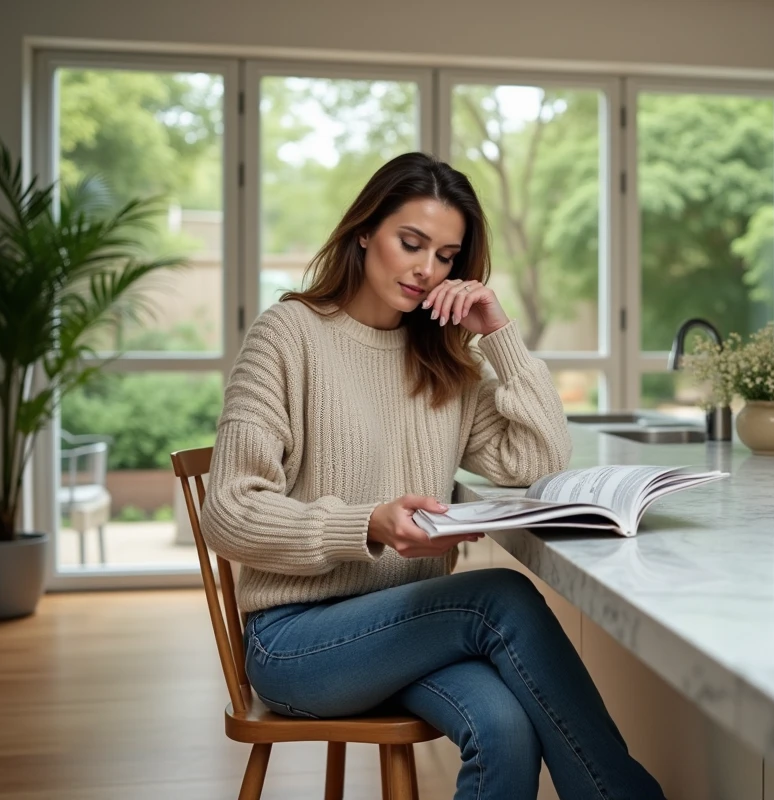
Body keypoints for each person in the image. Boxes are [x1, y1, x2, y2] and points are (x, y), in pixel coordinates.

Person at [201, 152, 666, 800]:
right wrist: (364, 523)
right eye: (411, 243)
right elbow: (227, 511)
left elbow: (536, 459)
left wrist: (498, 333)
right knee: (500, 596)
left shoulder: (444, 358)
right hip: (299, 642)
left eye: (446, 256)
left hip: (410, 627)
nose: (427, 269)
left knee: (504, 727)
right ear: (365, 230)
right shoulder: (288, 334)